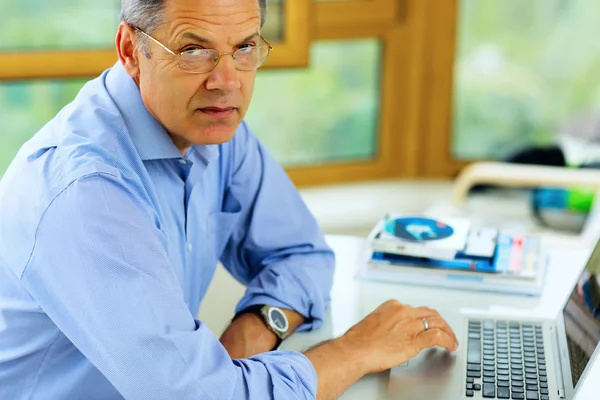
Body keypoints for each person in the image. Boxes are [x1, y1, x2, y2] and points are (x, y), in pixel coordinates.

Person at [0, 0, 458, 398]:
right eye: (193, 50)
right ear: (129, 50)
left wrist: (251, 335)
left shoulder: (210, 127)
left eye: (244, 48)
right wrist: (354, 351)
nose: (226, 81)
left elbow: (302, 254)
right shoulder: (86, 192)